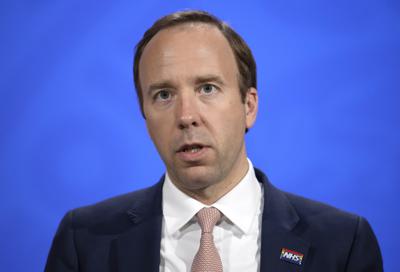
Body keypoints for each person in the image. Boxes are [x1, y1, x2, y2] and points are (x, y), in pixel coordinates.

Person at [45, 10, 383, 272]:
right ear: (145, 116)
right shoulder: (84, 241)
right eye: (163, 94)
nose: (186, 115)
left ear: (248, 106)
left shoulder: (342, 243)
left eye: (207, 88)